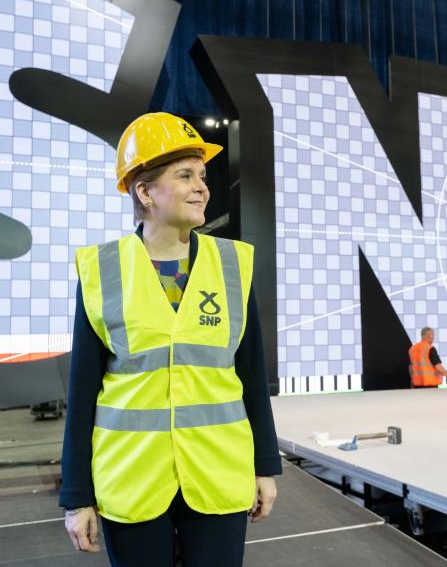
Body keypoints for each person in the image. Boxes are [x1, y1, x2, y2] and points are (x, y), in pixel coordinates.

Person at [59, 113, 281, 567]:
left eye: (202, 175)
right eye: (185, 175)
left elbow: (252, 377)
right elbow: (82, 392)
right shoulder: (102, 270)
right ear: (144, 191)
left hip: (218, 471)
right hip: (132, 477)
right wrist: (77, 495)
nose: (203, 186)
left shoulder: (232, 265)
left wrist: (265, 467)